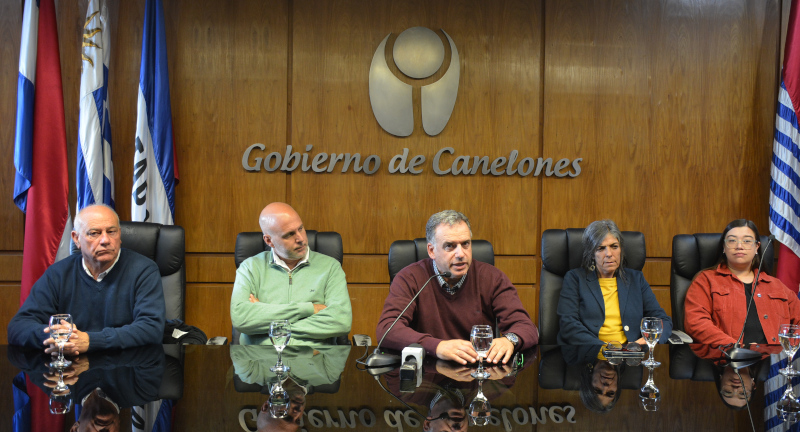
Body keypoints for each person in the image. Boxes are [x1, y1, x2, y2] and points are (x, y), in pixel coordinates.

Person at [376, 210, 538, 365]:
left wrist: (509, 340)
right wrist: (437, 346)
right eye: (450, 246)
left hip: (477, 377)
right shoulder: (410, 278)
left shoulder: (492, 277)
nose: (461, 254)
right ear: (431, 250)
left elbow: (526, 327)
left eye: (465, 244)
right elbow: (387, 329)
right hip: (426, 376)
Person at [7, 205, 165, 354]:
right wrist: (58, 338)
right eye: (94, 233)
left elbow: (151, 328)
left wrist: (91, 341)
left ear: (120, 235)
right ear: (76, 238)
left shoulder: (144, 270)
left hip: (126, 370)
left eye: (111, 232)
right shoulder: (58, 274)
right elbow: (18, 327)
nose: (105, 240)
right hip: (71, 375)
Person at [230, 202, 352, 345]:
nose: (300, 239)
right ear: (269, 240)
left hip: (313, 361)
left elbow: (341, 321)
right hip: (260, 360)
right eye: (289, 234)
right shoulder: (249, 268)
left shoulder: (330, 267)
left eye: (301, 228)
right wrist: (309, 309)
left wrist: (268, 320)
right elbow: (241, 318)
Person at [684, 219, 800, 346]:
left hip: (773, 362)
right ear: (724, 247)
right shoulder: (705, 280)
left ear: (757, 247)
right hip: (726, 359)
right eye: (732, 240)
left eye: (747, 241)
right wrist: (736, 348)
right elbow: (696, 323)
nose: (739, 246)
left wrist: (787, 350)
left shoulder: (776, 285)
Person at [557, 220, 672, 346]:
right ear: (591, 254)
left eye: (614, 247)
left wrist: (645, 341)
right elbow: (568, 324)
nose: (609, 254)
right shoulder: (575, 279)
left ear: (621, 249)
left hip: (630, 356)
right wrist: (604, 349)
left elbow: (662, 321)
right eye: (600, 248)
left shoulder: (636, 279)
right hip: (590, 356)